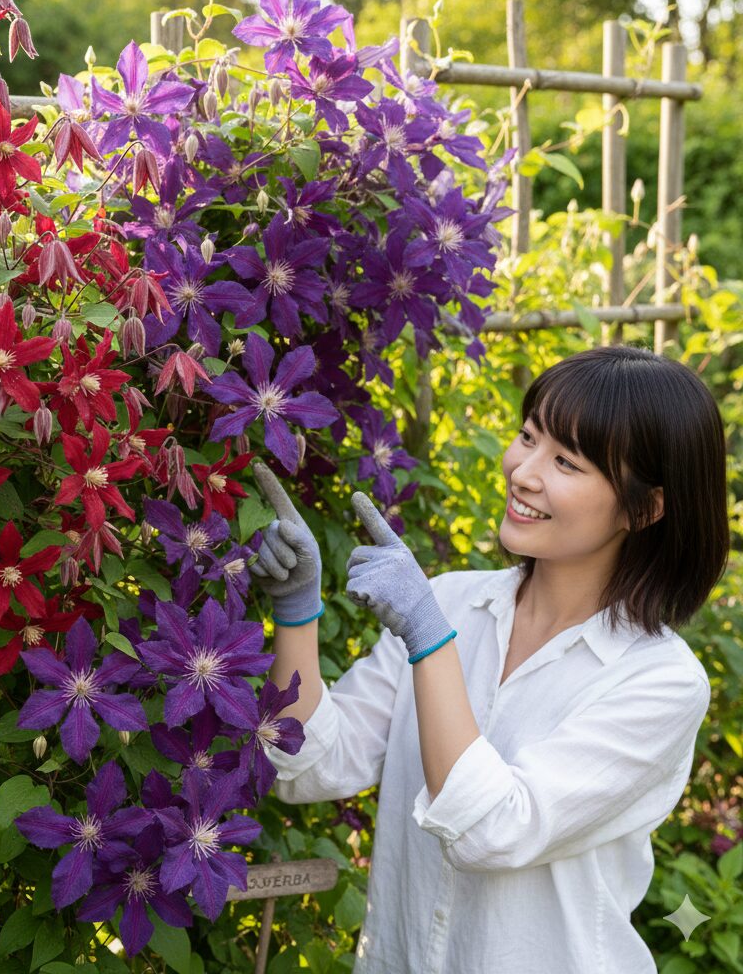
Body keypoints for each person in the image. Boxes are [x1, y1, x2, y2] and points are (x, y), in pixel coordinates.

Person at [249, 345, 729, 974]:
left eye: (566, 461)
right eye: (527, 437)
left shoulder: (660, 682)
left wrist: (429, 639)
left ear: (645, 508)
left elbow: (493, 829)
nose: (523, 471)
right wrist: (295, 615)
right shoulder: (452, 600)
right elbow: (310, 766)